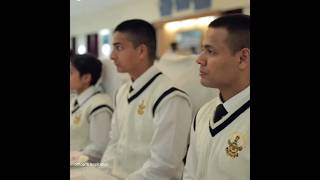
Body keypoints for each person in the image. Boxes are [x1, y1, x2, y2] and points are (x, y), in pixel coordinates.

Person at [101, 19, 193, 180]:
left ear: (141, 51)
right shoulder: (122, 92)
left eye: (119, 48)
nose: (112, 56)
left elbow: (164, 166)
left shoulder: (170, 97)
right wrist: (102, 174)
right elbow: (114, 142)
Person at [183, 14, 250, 180]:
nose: (199, 59)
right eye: (202, 50)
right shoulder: (204, 113)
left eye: (210, 51)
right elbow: (190, 174)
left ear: (242, 58)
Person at [70, 54, 114, 163]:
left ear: (86, 78)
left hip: (85, 169)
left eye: (71, 73)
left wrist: (73, 158)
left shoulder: (99, 105)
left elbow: (98, 149)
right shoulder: (75, 99)